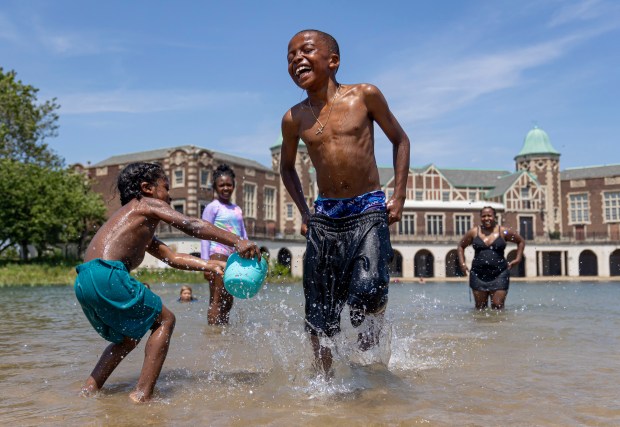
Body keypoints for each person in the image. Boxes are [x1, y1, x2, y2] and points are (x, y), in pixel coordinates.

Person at [280, 29, 410, 376]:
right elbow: (287, 168)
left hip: (367, 207)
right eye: (290, 56)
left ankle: (371, 358)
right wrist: (306, 212)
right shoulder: (293, 119)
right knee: (319, 311)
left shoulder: (364, 96)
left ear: (332, 60)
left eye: (305, 51)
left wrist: (398, 196)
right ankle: (324, 382)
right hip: (326, 215)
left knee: (367, 291)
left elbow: (400, 139)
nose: (296, 59)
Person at [74, 162, 260, 403]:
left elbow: (171, 257)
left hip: (84, 279)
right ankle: (142, 395)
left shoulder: (136, 222)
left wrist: (209, 264)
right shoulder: (146, 204)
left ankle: (89, 390)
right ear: (147, 188)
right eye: (166, 187)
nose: (170, 194)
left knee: (127, 338)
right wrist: (236, 241)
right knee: (166, 319)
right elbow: (191, 225)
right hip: (107, 273)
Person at [200, 164, 248, 325]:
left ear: (234, 186)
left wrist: (248, 252)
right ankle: (213, 335)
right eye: (222, 185)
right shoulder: (212, 207)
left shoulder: (237, 209)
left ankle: (223, 331)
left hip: (234, 258)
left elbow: (243, 234)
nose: (226, 188)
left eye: (229, 184)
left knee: (229, 299)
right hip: (217, 254)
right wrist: (206, 262)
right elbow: (204, 235)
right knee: (217, 297)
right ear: (215, 187)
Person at [457, 206, 525, 310]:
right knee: (480, 308)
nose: (486, 218)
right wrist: (462, 263)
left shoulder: (503, 231)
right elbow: (461, 246)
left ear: (494, 216)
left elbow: (520, 241)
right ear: (480, 217)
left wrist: (518, 258)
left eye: (489, 215)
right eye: (483, 216)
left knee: (498, 306)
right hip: (478, 275)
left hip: (500, 274)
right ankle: (482, 327)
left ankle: (497, 326)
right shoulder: (474, 232)